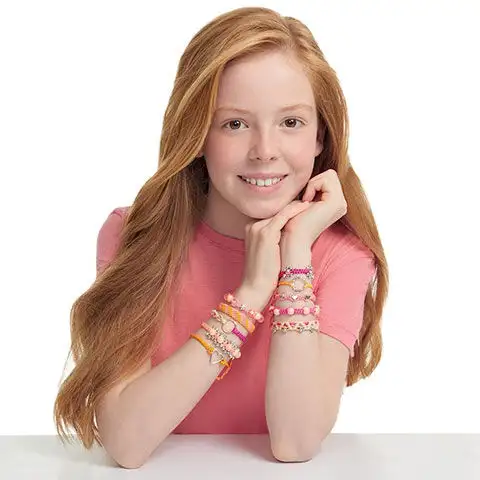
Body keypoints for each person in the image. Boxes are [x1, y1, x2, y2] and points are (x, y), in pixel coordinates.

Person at [53, 6, 389, 469]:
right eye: (235, 123)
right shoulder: (133, 236)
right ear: (197, 135)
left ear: (320, 136)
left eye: (291, 122)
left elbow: (294, 443)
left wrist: (295, 260)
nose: (265, 151)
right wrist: (249, 296)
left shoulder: (342, 255)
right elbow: (126, 444)